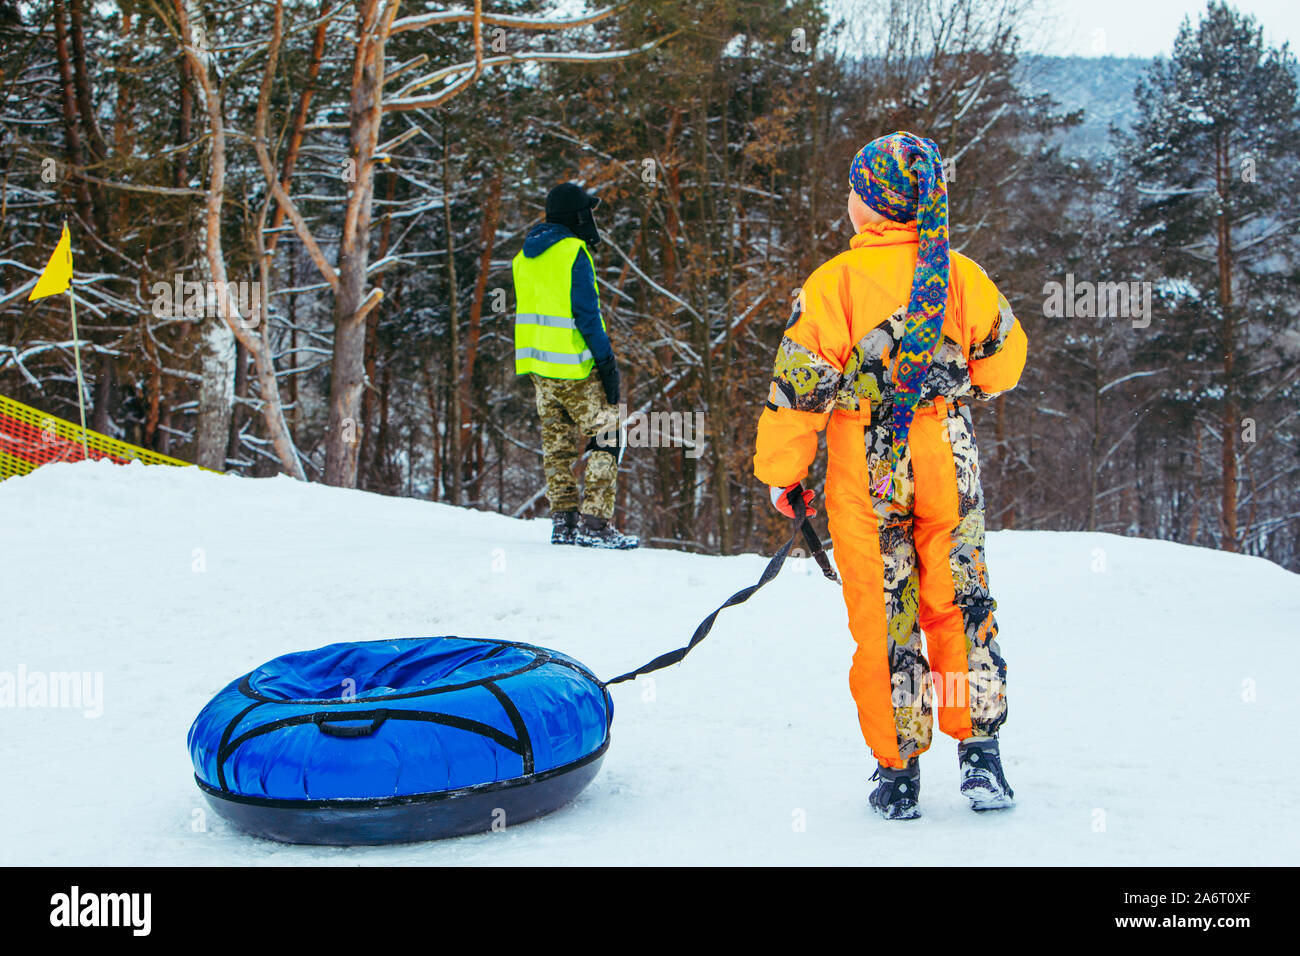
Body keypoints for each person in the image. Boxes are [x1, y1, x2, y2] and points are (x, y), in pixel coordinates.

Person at [752, 132, 1027, 819]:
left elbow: (797, 392)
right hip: (945, 452)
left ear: (871, 206)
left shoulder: (831, 285)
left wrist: (785, 475)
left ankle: (898, 771)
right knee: (958, 602)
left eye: (853, 191)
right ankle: (981, 757)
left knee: (885, 614)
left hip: (866, 463)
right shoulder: (962, 275)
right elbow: (1003, 365)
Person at [513, 182, 638, 549]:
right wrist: (607, 363)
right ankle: (596, 524)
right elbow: (587, 315)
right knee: (608, 437)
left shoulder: (524, 258)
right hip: (576, 369)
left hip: (539, 369)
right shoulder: (573, 253)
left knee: (557, 447)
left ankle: (563, 523)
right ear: (576, 215)